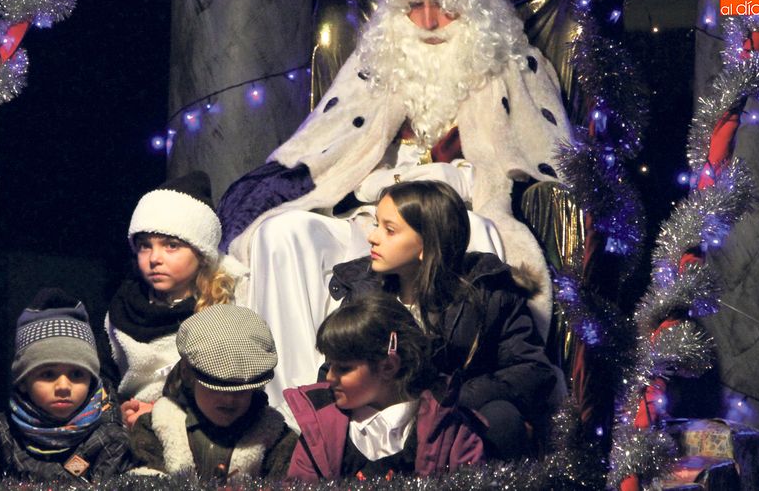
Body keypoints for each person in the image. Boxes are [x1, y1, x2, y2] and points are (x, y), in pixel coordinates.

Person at [216, 0, 571, 408]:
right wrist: (381, 183)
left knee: (479, 235)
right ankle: (298, 411)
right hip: (368, 212)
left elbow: (549, 155)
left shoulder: (513, 67)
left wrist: (457, 178)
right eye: (415, 6)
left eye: (446, 6)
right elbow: (327, 148)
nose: (429, 21)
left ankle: (432, 402)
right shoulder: (373, 64)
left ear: (478, 10)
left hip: (456, 213)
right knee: (281, 234)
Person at [329, 180, 560, 459]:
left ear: (427, 244)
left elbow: (531, 369)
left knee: (502, 418)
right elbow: (334, 369)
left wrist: (443, 399)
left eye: (389, 230)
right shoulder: (365, 292)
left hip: (452, 429)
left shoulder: (487, 293)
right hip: (381, 430)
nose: (372, 237)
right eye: (377, 224)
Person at [285, 295, 483, 482]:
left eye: (343, 368)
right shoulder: (319, 428)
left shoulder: (452, 432)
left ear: (388, 366)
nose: (329, 377)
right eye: (330, 365)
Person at [97, 171, 235, 428]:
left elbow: (231, 394)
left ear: (201, 252)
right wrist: (117, 412)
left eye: (171, 245)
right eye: (145, 245)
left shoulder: (222, 310)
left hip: (198, 429)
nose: (154, 258)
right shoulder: (122, 309)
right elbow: (104, 379)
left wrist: (161, 414)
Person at [129, 304, 296, 484]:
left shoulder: (275, 437)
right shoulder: (157, 427)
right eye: (216, 387)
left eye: (242, 389)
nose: (229, 399)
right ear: (188, 375)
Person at [0, 289, 130, 482]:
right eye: (48, 374)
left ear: (91, 380)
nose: (63, 386)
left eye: (76, 374)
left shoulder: (110, 438)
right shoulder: (2, 432)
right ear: (23, 382)